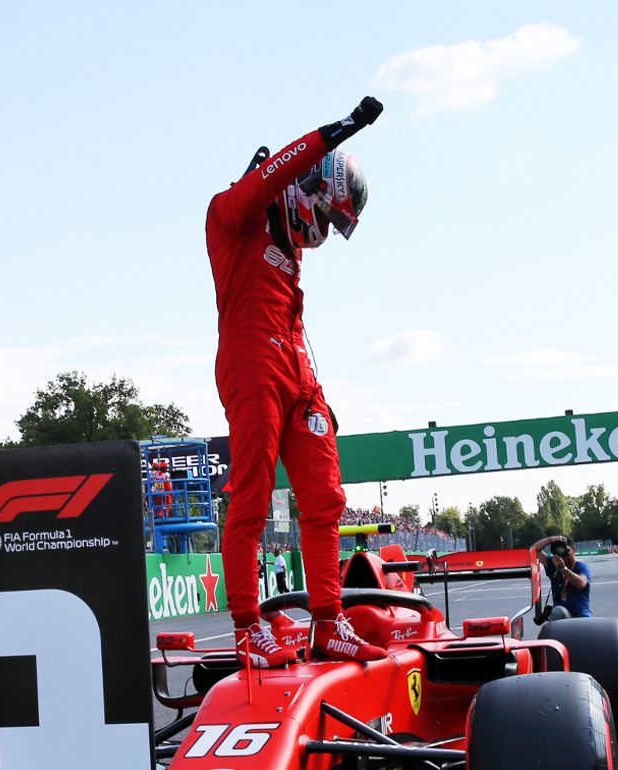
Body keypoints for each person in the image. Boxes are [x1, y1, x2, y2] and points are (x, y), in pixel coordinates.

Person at [206, 96, 386, 668]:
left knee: (326, 496)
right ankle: (245, 627)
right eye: (328, 216)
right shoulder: (231, 214)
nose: (323, 232)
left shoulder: (288, 245)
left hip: (296, 364)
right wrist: (333, 134)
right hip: (250, 359)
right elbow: (271, 177)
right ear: (306, 187)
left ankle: (329, 623)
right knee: (253, 495)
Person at [532, 534, 592, 618]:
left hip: (580, 617)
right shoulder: (553, 565)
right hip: (561, 617)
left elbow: (581, 583)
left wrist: (564, 569)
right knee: (558, 611)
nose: (564, 554)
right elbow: (533, 550)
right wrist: (550, 540)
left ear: (574, 550)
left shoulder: (581, 567)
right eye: (560, 551)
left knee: (558, 611)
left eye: (566, 550)